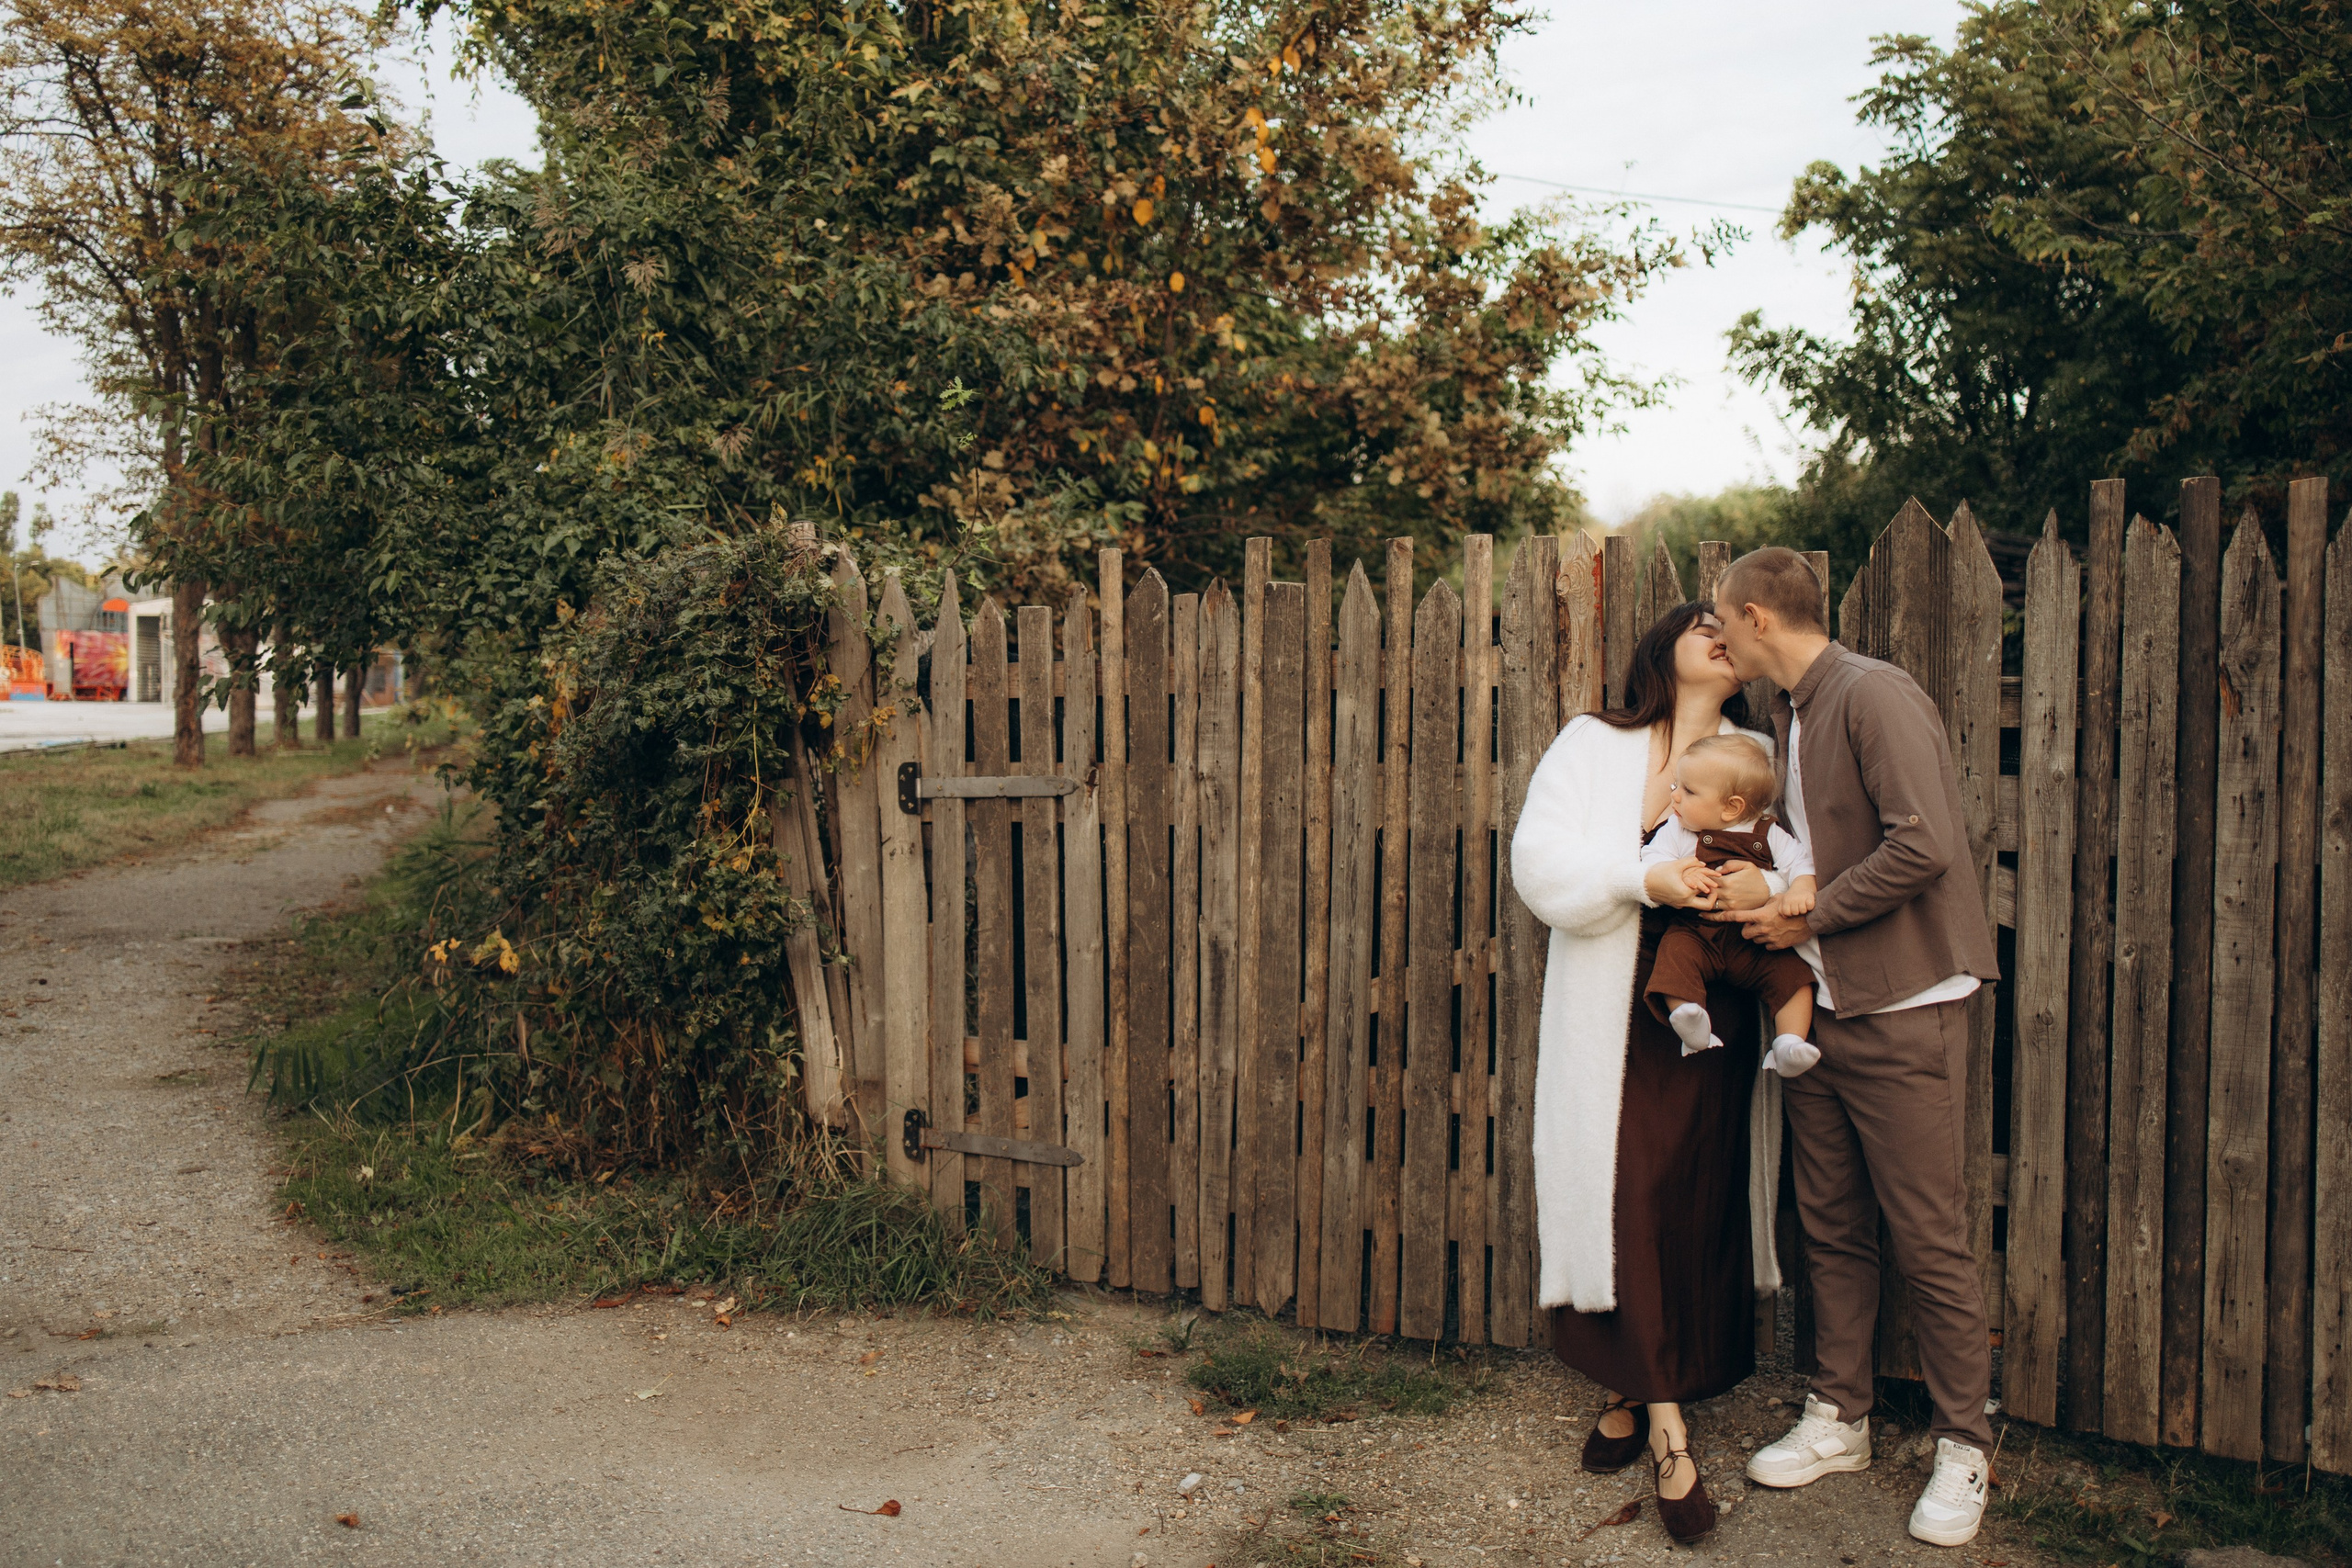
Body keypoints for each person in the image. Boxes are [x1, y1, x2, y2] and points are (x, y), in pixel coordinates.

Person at [1708, 547, 2003, 1549]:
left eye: (1723, 625)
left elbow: (1924, 846)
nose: (1719, 642)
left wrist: (1809, 919)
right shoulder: (1783, 715)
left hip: (1906, 1003)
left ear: (1755, 616)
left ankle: (1964, 1445)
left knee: (1927, 1234)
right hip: (1818, 1016)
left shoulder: (1873, 694)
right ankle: (1841, 1416)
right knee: (1827, 1222)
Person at [1510, 601, 1793, 1546]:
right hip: (1616, 998)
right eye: (1698, 620)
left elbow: (1789, 863)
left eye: (1729, 623)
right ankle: (1671, 1433)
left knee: (1684, 1193)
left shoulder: (1754, 750)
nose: (1718, 631)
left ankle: (1632, 1388)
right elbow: (1539, 864)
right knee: (1624, 1189)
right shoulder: (1594, 743)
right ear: (1659, 647)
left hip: (1712, 1006)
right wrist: (1646, 879)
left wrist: (1759, 889)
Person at [1637, 732, 1821, 1076]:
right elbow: (1652, 860)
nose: (1673, 796)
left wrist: (1800, 888)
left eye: (1688, 791)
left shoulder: (1767, 832)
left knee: (1794, 977)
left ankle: (1789, 1042)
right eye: (1677, 784)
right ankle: (1690, 1020)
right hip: (1696, 934)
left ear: (1732, 807)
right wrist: (1677, 874)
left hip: (1756, 939)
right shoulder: (1677, 830)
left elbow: (1801, 862)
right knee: (1673, 959)